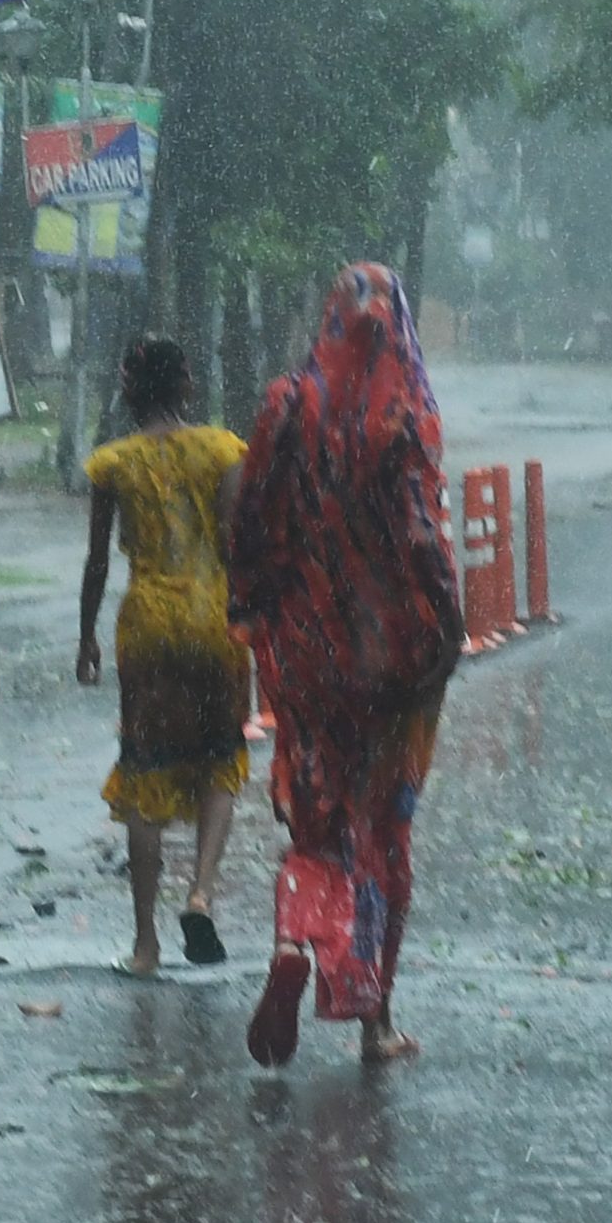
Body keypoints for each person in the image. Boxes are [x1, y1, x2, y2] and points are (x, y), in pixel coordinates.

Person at [223, 262, 463, 1070]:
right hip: (391, 659)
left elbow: (248, 516)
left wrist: (249, 611)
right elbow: (422, 536)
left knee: (318, 813)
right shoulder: (402, 413)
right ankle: (375, 1018)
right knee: (385, 832)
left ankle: (297, 936)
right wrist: (446, 628)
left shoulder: (285, 402)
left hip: (305, 650)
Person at [75, 336, 251, 975]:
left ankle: (145, 945)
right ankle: (201, 892)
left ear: (128, 391)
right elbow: (237, 546)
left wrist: (86, 636)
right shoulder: (223, 450)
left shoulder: (112, 464)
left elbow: (97, 561)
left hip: (147, 628)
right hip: (214, 624)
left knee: (146, 771)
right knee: (220, 760)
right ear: (185, 389)